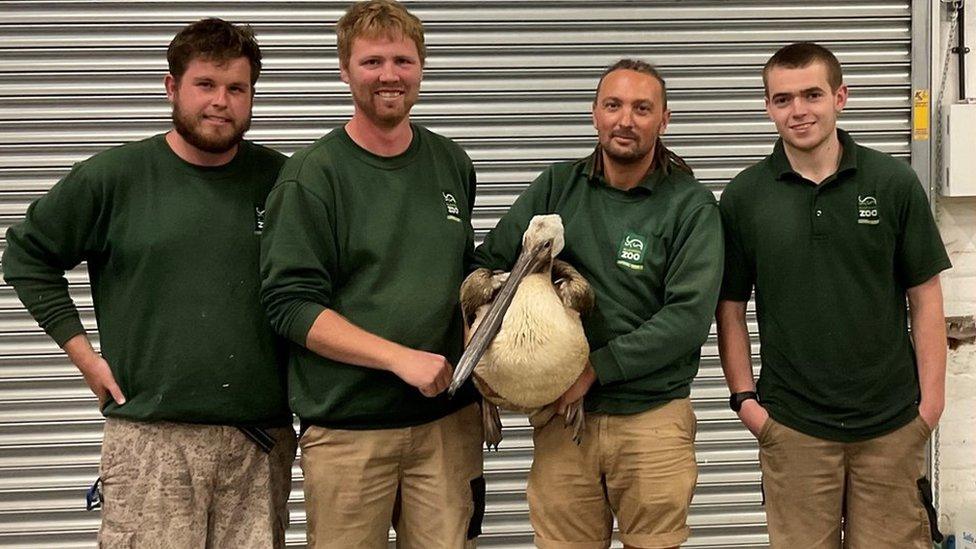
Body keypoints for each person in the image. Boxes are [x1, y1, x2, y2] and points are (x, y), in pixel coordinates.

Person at [2, 18, 296, 548]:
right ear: (171, 88)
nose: (221, 102)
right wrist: (85, 358)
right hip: (150, 442)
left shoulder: (284, 183)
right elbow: (26, 255)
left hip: (259, 442)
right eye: (205, 85)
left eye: (237, 88)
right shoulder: (115, 178)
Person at [472, 58, 723, 549]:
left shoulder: (690, 206)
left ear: (664, 119)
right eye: (613, 105)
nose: (625, 119)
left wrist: (592, 370)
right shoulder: (557, 187)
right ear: (595, 114)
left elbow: (687, 319)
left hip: (652, 421)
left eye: (641, 108)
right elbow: (488, 264)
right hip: (564, 424)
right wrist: (490, 355)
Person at [258, 1, 483, 547]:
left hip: (447, 426)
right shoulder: (313, 177)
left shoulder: (451, 163)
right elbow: (290, 306)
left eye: (403, 61)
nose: (390, 75)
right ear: (344, 70)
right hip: (348, 433)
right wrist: (399, 360)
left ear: (422, 68)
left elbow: (459, 269)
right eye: (372, 62)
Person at [716, 42, 949, 548]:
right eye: (782, 99)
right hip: (794, 429)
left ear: (840, 97)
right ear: (768, 107)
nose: (798, 111)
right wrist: (745, 402)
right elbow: (729, 309)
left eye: (812, 94)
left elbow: (926, 296)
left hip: (890, 427)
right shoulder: (745, 196)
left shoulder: (892, 183)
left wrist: (929, 407)